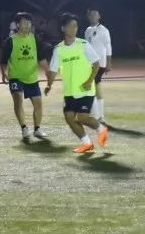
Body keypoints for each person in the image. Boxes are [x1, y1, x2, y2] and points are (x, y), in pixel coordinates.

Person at [44, 13, 109, 154]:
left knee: (82, 118)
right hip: (70, 91)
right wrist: (49, 85)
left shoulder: (83, 44)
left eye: (76, 26)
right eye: (71, 26)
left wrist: (89, 81)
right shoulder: (58, 49)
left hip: (85, 89)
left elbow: (96, 65)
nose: (74, 29)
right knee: (69, 118)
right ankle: (87, 143)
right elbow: (53, 70)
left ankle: (101, 129)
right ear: (63, 28)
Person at [1, 12, 49, 140]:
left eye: (29, 22)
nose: (27, 25)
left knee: (38, 105)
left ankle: (37, 129)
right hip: (16, 77)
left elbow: (41, 57)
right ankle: (24, 128)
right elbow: (4, 60)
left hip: (32, 77)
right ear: (17, 25)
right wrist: (4, 72)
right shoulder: (11, 41)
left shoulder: (34, 38)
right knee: (18, 100)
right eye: (24, 22)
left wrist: (47, 70)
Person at [84, 8, 113, 125]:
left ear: (99, 16)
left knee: (95, 85)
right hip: (89, 63)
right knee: (93, 87)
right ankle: (97, 114)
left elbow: (108, 46)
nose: (92, 16)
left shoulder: (103, 30)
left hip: (100, 63)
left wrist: (109, 62)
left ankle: (100, 116)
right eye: (90, 15)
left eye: (95, 14)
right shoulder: (87, 30)